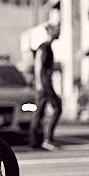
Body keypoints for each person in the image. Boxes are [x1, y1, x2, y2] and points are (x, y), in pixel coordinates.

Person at [28, 22, 62, 151]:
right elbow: (38, 66)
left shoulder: (48, 47)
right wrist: (41, 84)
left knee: (40, 112)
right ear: (51, 32)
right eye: (57, 30)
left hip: (44, 84)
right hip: (44, 85)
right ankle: (47, 140)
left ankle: (36, 141)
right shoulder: (44, 47)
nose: (59, 33)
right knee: (57, 108)